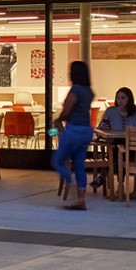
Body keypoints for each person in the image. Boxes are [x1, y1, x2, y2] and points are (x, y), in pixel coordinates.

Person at [52, 60, 95, 210]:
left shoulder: (76, 89)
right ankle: (81, 200)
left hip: (73, 130)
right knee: (79, 165)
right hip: (86, 131)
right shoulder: (89, 91)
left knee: (58, 161)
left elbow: (67, 110)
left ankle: (71, 183)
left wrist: (58, 120)